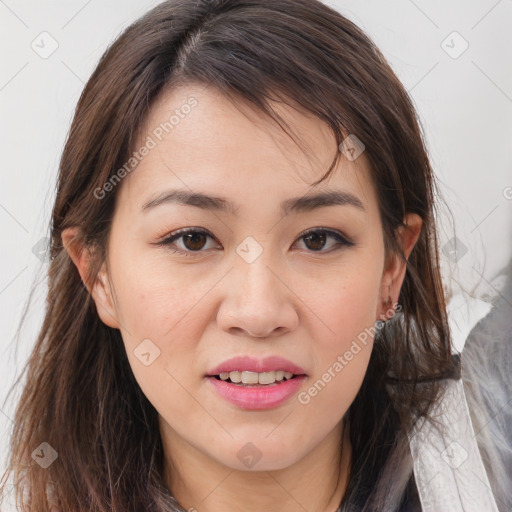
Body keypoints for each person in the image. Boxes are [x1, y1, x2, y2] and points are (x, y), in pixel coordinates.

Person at [0, 0, 509, 510]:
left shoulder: (490, 462)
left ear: (392, 269)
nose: (259, 311)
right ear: (98, 275)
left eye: (317, 239)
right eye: (192, 239)